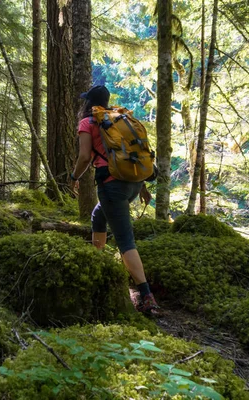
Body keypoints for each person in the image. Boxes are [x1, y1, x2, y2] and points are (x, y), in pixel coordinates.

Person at [70, 85, 160, 314]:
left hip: (112, 186)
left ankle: (146, 295)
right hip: (134, 183)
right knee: (98, 215)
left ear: (87, 102)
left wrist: (74, 177)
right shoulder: (119, 119)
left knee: (125, 239)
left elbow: (83, 157)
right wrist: (141, 188)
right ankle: (97, 260)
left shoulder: (88, 123)